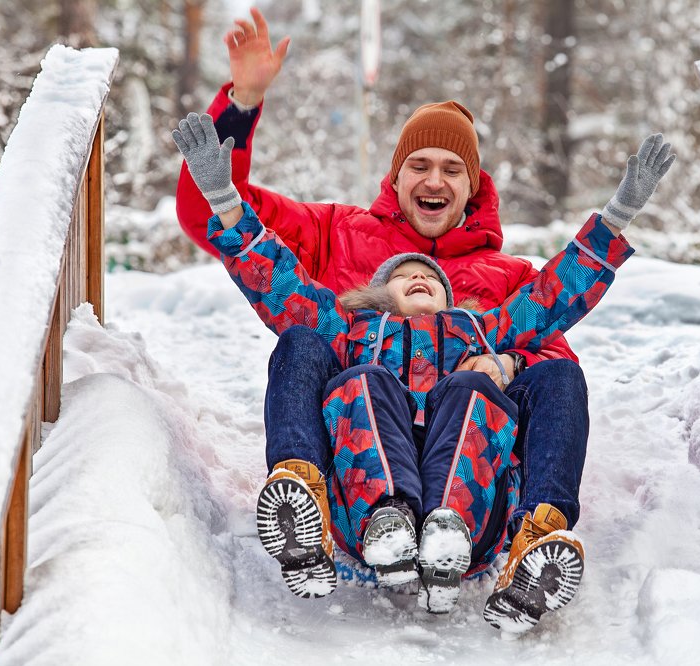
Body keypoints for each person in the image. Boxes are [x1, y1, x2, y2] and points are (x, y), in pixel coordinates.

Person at [174, 8, 674, 633]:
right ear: (396, 174)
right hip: (359, 463)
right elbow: (236, 243)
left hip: (469, 481)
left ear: (473, 187)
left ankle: (534, 537)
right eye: (419, 164)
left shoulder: (501, 291)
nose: (434, 179)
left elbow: (553, 311)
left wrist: (509, 357)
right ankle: (302, 493)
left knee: (555, 380)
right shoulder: (340, 252)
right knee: (304, 338)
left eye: (452, 169)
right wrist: (240, 109)